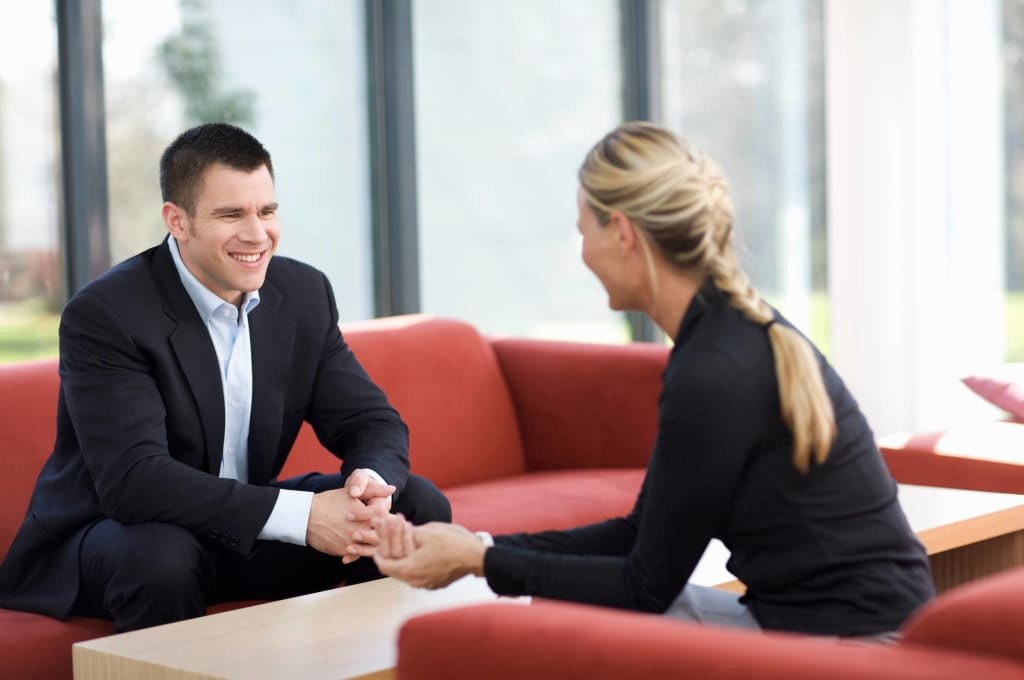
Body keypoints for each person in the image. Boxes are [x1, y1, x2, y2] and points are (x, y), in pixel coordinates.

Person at [371, 121, 935, 637]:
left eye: (583, 232)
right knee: (566, 602)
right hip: (829, 627)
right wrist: (479, 547)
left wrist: (479, 562)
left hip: (850, 650)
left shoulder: (713, 369)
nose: (583, 254)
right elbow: (637, 535)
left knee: (567, 622)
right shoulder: (730, 333)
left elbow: (644, 586)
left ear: (621, 232)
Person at [0, 122, 450, 632]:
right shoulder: (108, 313)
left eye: (267, 211)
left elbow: (370, 420)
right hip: (116, 535)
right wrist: (304, 517)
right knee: (162, 556)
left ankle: (372, 660)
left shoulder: (302, 293)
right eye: (231, 214)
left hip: (237, 528)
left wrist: (370, 483)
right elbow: (135, 482)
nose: (257, 234)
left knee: (412, 505)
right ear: (178, 221)